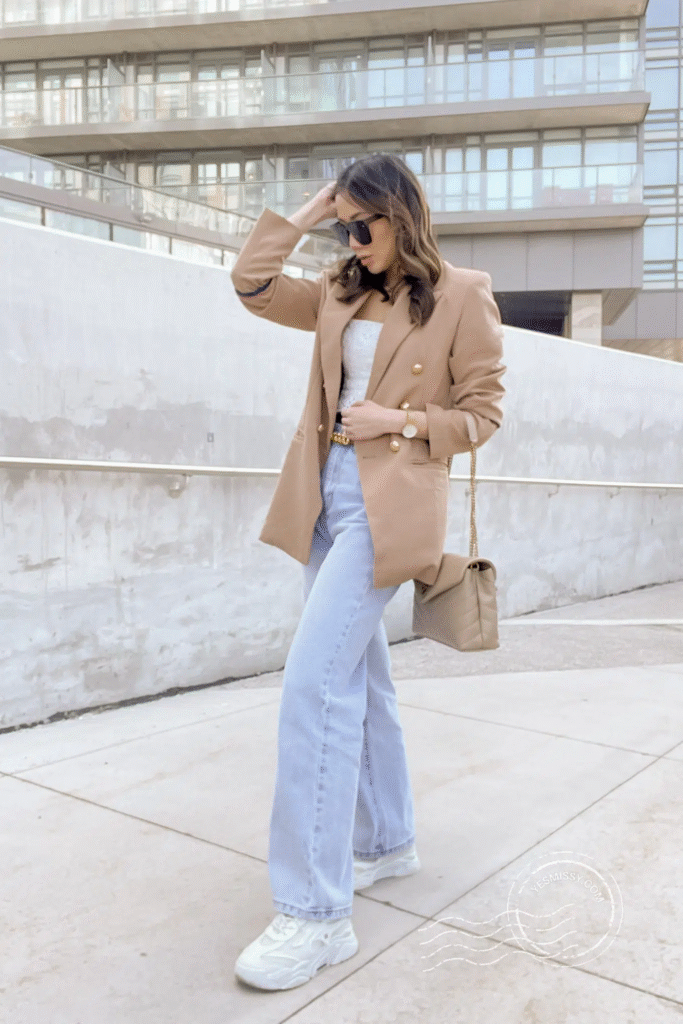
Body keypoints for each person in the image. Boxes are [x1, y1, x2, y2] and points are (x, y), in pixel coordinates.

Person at [230, 154, 506, 991]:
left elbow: (483, 414)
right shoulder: (337, 289)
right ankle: (386, 843)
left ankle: (315, 915)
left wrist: (400, 418)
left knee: (314, 687)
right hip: (323, 496)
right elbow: (249, 283)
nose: (354, 238)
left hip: (389, 501)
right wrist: (308, 213)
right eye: (343, 223)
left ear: (402, 214)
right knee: (362, 676)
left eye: (365, 223)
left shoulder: (462, 292)